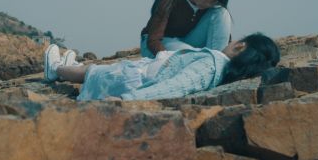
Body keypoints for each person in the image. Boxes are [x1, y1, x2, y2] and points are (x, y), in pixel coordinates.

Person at [43, 33, 281, 101]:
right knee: (93, 71)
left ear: (240, 46)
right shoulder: (223, 71)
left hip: (135, 80)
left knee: (91, 72)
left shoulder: (213, 65)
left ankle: (56, 69)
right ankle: (68, 67)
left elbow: (176, 86)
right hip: (141, 73)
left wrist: (127, 99)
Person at [139, 0, 233, 59]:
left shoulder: (212, 7)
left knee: (222, 12)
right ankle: (201, 60)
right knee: (191, 54)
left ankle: (215, 61)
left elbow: (220, 35)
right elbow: (153, 40)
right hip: (158, 43)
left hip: (187, 42)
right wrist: (168, 59)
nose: (208, 4)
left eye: (213, 2)